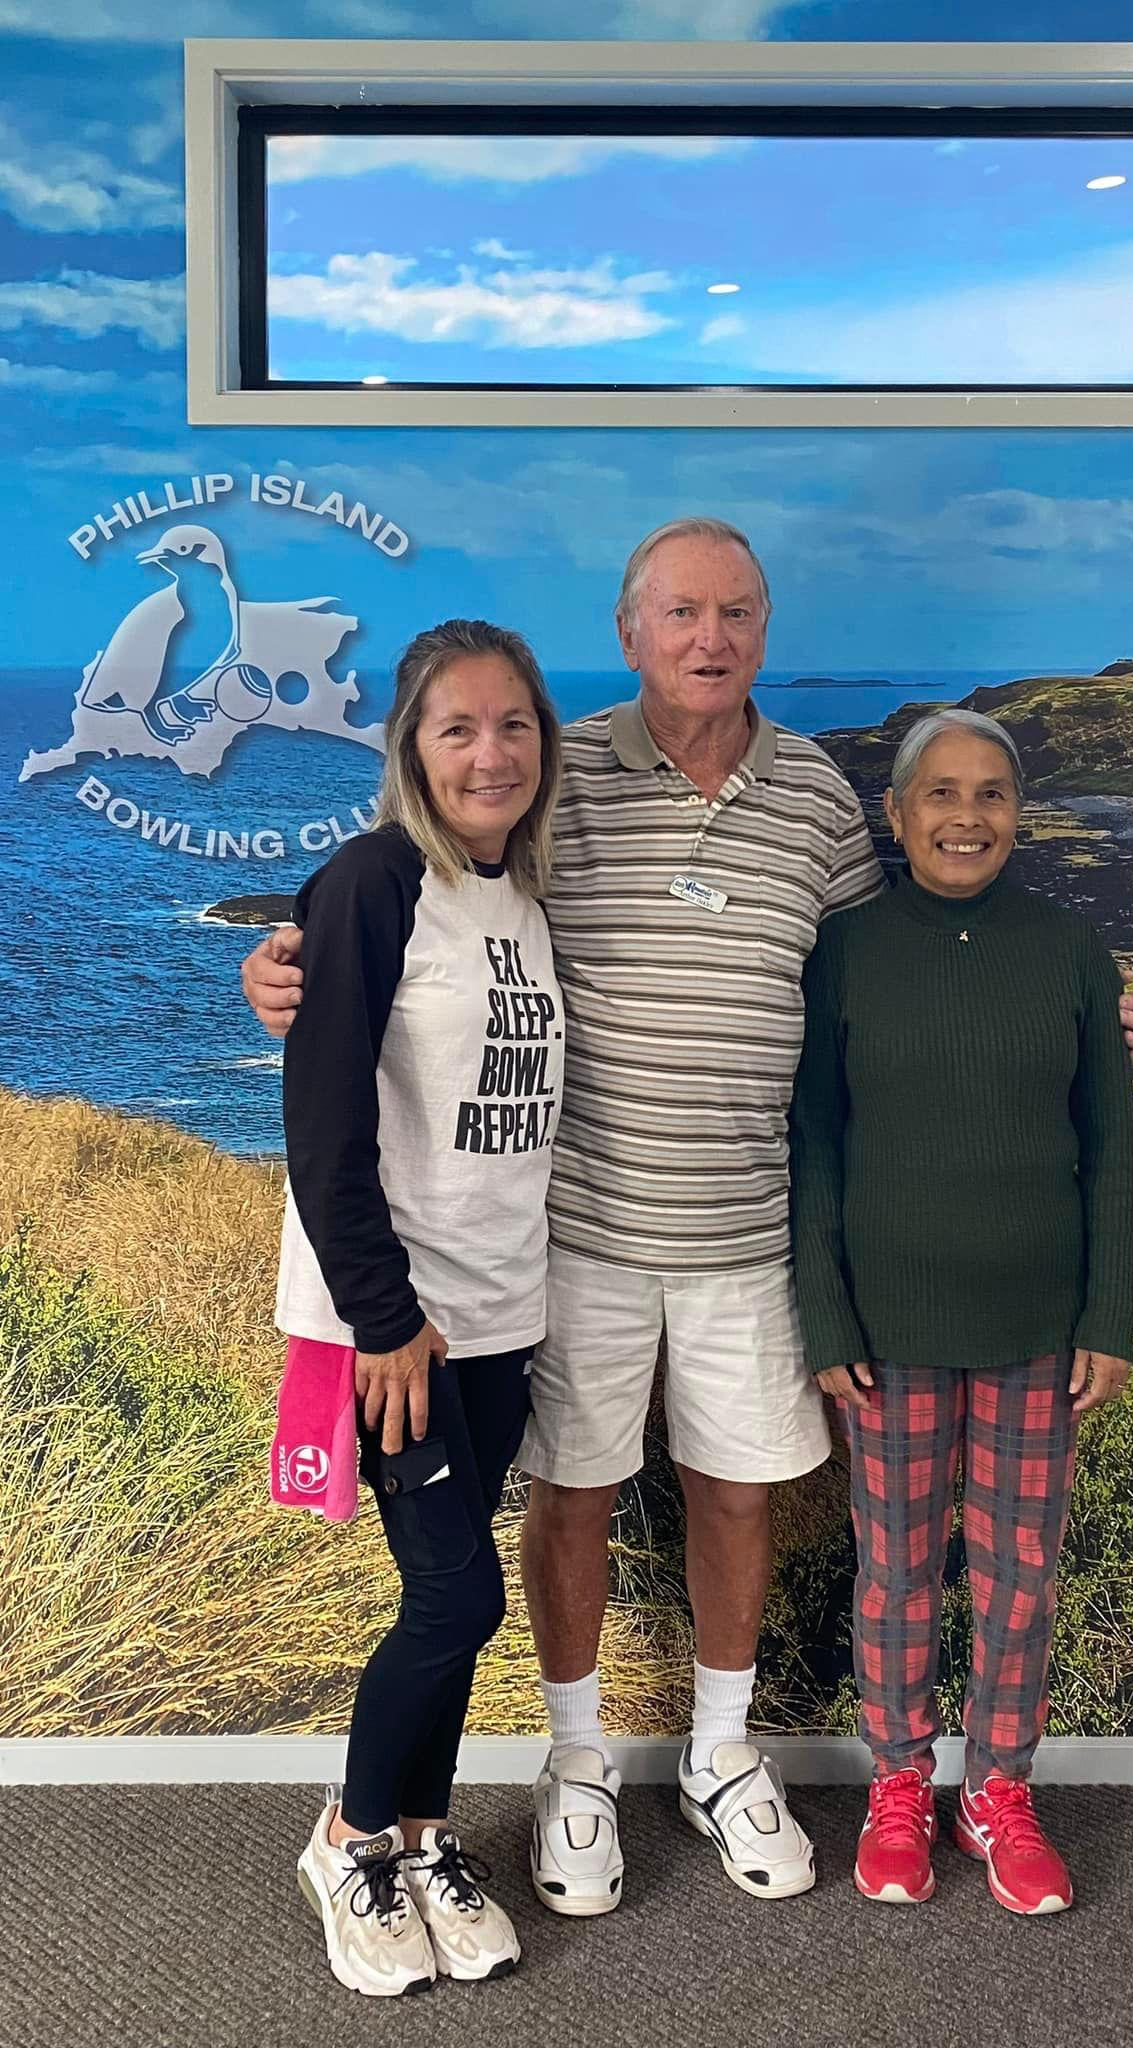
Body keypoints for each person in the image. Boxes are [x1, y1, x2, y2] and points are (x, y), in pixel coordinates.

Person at [244, 520, 1133, 1916]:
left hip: (750, 1235)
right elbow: (427, 898)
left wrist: (1078, 1012)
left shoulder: (817, 797)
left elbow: (886, 963)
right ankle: (580, 1766)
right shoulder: (555, 776)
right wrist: (291, 966)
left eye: (736, 613)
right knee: (576, 1497)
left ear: (764, 634)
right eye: (681, 613)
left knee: (738, 1494)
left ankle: (722, 1757)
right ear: (630, 632)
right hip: (581, 1231)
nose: (709, 638)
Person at [789, 707, 1133, 1917]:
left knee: (1018, 1577)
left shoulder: (1069, 949)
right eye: (939, 793)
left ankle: (996, 1789)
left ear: (1016, 815)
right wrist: (826, 1318)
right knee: (891, 1571)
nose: (965, 816)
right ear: (894, 816)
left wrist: (1107, 1312)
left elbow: (1109, 1147)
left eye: (990, 794)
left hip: (1039, 1325)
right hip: (886, 1334)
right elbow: (815, 1151)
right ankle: (899, 1781)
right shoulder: (844, 951)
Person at [280, 618, 563, 1994]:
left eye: (513, 725)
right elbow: (323, 1124)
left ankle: (430, 1833)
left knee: (443, 1600)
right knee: (457, 1597)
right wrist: (382, 1317)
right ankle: (349, 1837)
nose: (490, 752)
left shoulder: (527, 894)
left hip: (508, 1313)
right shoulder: (373, 883)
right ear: (411, 747)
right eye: (459, 728)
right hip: (405, 1325)